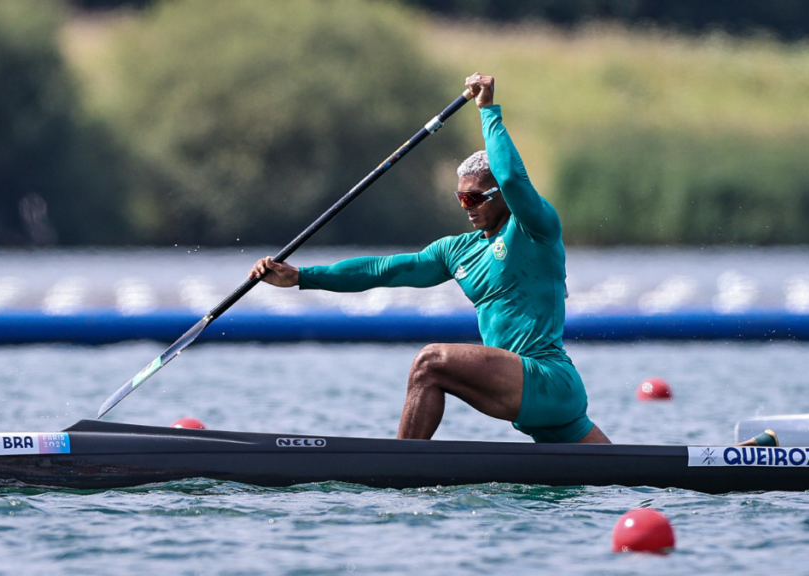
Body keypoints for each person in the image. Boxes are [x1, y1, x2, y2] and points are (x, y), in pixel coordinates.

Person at [251, 73, 610, 444]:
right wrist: (301, 277)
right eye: (460, 199)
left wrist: (487, 110)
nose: (466, 207)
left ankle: (399, 466)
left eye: (475, 198)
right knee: (623, 479)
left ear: (501, 195)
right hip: (533, 401)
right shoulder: (456, 251)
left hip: (546, 379)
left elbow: (514, 179)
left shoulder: (535, 228)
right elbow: (383, 271)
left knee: (430, 363)